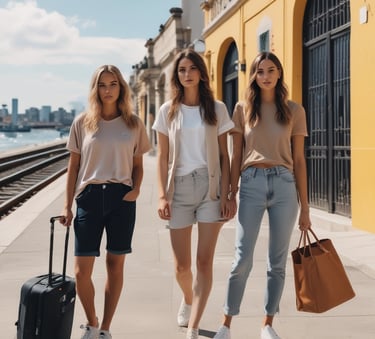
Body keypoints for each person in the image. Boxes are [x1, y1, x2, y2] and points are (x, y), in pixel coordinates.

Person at [213, 52, 312, 339]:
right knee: (242, 257)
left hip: (284, 184)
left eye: (271, 70)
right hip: (252, 183)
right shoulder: (243, 108)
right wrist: (230, 192)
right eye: (260, 71)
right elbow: (235, 156)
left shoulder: (294, 110)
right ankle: (226, 324)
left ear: (279, 73)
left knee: (277, 261)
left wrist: (305, 208)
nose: (265, 76)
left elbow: (300, 160)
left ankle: (267, 324)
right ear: (253, 76)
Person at [60, 65, 151, 339]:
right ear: (95, 89)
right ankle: (92, 320)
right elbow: (73, 167)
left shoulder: (133, 123)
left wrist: (134, 191)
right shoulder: (82, 122)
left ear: (121, 88)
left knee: (115, 265)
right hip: (88, 198)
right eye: (102, 85)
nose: (108, 90)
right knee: (80, 272)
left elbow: (138, 165)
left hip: (120, 199)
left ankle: (106, 329)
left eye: (113, 84)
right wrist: (67, 205)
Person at [152, 49, 236, 339]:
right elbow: (162, 157)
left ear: (201, 72)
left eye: (191, 68)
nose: (186, 74)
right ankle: (188, 299)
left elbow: (225, 156)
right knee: (182, 266)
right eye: (181, 70)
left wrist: (228, 194)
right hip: (180, 189)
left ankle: (193, 326)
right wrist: (162, 195)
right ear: (177, 76)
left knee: (204, 262)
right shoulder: (167, 111)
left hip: (211, 188)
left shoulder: (217, 108)